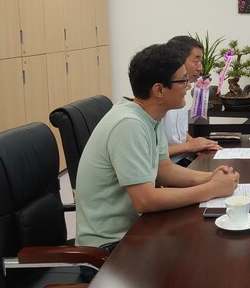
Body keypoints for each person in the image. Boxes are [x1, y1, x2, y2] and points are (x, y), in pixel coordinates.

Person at [76, 44, 239, 271]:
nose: (188, 86)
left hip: (139, 229)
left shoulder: (151, 116)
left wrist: (210, 177)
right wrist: (212, 189)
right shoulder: (129, 124)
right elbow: (145, 200)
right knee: (206, 260)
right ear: (159, 90)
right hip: (109, 248)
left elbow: (165, 170)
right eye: (182, 81)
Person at [165, 35, 221, 167]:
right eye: (196, 61)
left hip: (184, 161)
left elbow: (180, 135)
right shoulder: (163, 99)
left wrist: (199, 144)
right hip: (168, 168)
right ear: (178, 61)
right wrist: (190, 146)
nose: (200, 68)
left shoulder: (180, 95)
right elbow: (152, 155)